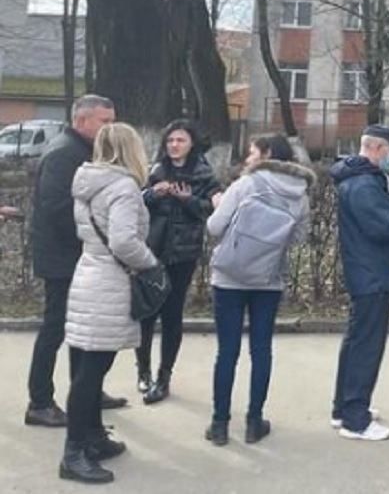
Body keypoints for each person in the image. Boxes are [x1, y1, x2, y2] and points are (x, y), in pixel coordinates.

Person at [60, 122, 161, 484]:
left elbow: (88, 232)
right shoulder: (123, 187)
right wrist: (150, 262)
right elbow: (123, 241)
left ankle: (91, 437)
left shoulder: (87, 181)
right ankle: (74, 453)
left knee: (85, 369)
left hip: (87, 275)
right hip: (109, 284)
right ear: (131, 149)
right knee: (91, 373)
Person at [203, 134, 314, 447]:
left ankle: (220, 424)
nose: (248, 158)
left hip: (229, 277)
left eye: (252, 152)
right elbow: (299, 238)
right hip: (268, 279)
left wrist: (218, 205)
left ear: (266, 154)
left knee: (227, 352)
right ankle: (254, 422)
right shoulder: (300, 192)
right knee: (261, 350)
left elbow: (214, 227)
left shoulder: (245, 184)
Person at [26, 94, 121, 428]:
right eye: (104, 122)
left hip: (76, 256)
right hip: (63, 258)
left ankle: (86, 391)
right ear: (81, 121)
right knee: (55, 329)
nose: (111, 127)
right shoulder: (65, 153)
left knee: (82, 330)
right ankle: (39, 402)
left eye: (113, 121)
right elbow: (56, 208)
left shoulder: (83, 150)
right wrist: (94, 237)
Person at [329, 125, 389, 441]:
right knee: (367, 346)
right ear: (377, 149)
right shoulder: (363, 186)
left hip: (368, 270)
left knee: (357, 341)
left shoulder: (362, 181)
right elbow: (385, 227)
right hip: (372, 273)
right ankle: (355, 419)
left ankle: (344, 408)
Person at [137, 119, 221, 405]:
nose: (174, 145)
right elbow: (135, 203)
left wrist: (188, 201)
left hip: (183, 254)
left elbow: (211, 211)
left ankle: (164, 376)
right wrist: (152, 193)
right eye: (170, 140)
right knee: (146, 313)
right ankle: (143, 371)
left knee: (172, 315)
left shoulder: (203, 173)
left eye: (180, 140)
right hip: (151, 250)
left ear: (191, 144)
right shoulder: (155, 169)